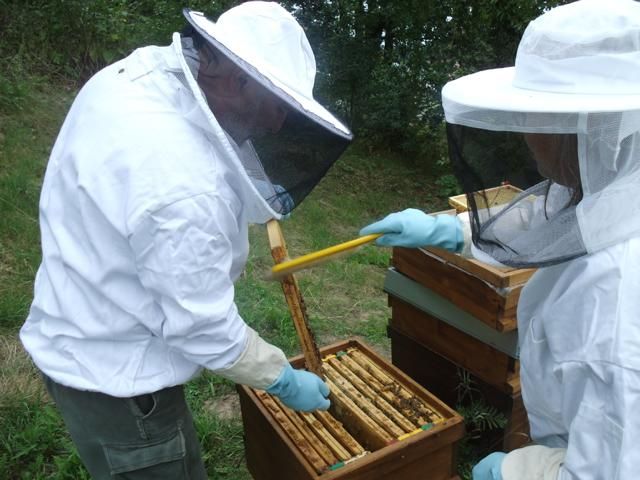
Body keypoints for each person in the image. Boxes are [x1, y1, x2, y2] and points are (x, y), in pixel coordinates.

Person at [19, 2, 352, 478]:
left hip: (79, 317)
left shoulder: (136, 74)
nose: (278, 125)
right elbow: (202, 327)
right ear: (238, 78)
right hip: (121, 381)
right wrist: (281, 377)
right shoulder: (185, 187)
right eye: (278, 105)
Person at [360, 0, 640, 478]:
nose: (527, 135)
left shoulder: (609, 308)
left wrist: (523, 471)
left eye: (539, 119)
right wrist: (449, 230)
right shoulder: (613, 187)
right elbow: (550, 218)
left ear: (588, 129)